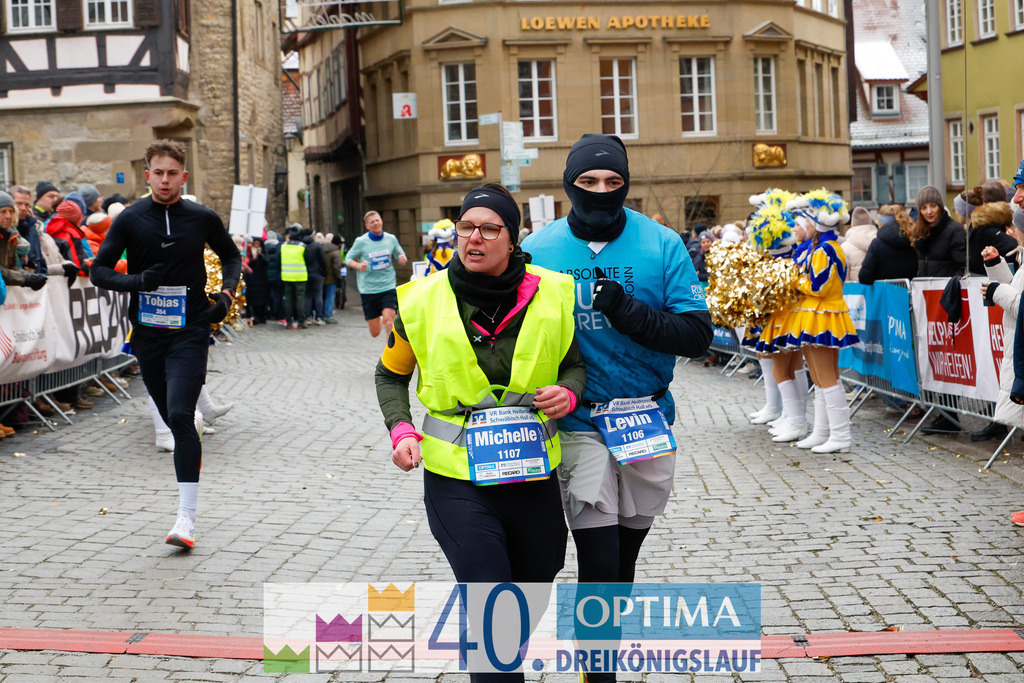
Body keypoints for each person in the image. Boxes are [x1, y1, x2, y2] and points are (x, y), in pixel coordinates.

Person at [376, 185, 584, 682]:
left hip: (532, 476)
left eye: (489, 228)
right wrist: (401, 428)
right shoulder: (422, 300)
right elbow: (390, 374)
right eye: (465, 227)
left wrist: (568, 394)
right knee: (491, 604)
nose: (474, 237)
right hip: (457, 481)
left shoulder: (554, 292)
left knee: (538, 576)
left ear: (512, 239)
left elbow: (574, 366)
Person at [521, 134, 712, 608]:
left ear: (626, 184)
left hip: (644, 417)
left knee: (623, 559)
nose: (600, 190)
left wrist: (627, 311)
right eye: (588, 180)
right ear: (569, 183)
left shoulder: (662, 243)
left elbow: (696, 336)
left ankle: (599, 649)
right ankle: (599, 669)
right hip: (577, 420)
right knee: (598, 556)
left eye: (613, 181)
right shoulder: (537, 249)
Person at [90, 139, 241, 550]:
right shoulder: (132, 219)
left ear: (183, 177)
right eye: (158, 172)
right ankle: (188, 444)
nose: (164, 180)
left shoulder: (201, 217)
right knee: (174, 414)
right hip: (148, 334)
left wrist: (225, 297)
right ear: (147, 175)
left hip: (191, 327)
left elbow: (232, 257)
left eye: (172, 173)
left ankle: (185, 520)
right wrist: (136, 283)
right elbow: (98, 271)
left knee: (179, 413)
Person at [782, 190, 859, 453]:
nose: (796, 227)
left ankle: (840, 435)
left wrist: (794, 280)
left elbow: (818, 286)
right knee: (820, 375)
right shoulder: (821, 248)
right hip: (816, 314)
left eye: (801, 222)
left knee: (827, 376)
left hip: (824, 314)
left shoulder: (827, 249)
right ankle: (823, 431)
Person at [346, 210, 408, 337]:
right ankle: (380, 319)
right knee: (375, 333)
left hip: (388, 286)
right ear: (367, 226)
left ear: (381, 221)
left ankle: (390, 354)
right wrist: (358, 265)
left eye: (377, 220)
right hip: (368, 289)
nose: (375, 223)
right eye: (372, 222)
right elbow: (348, 259)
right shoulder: (361, 241)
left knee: (390, 321)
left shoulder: (391, 239)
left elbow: (401, 256)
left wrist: (403, 259)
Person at [912, 186, 966, 278]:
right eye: (924, 208)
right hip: (925, 288)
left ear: (940, 207)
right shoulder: (919, 232)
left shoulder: (955, 230)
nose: (929, 211)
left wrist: (952, 285)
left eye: (933, 206)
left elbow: (962, 266)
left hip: (946, 288)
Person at [859, 205, 918, 284]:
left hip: (885, 293)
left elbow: (864, 277)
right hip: (911, 293)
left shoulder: (877, 243)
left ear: (881, 224)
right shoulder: (914, 239)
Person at [966, 201, 1016, 276]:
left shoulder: (975, 229)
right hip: (991, 275)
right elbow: (1012, 245)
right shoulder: (991, 232)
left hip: (976, 274)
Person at [280, 226, 308, 329]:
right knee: (299, 299)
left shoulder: (283, 246)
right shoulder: (302, 246)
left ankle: (289, 322)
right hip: (300, 276)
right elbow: (307, 260)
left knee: (288, 299)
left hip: (287, 275)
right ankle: (301, 322)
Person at [841, 206, 876, 282]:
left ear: (852, 224)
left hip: (855, 292)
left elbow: (844, 277)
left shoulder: (845, 247)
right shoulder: (879, 242)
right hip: (878, 292)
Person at [301, 228, 327, 325]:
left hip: (305, 273)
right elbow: (323, 261)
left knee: (307, 295)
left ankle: (308, 317)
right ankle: (319, 317)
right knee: (318, 295)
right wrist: (324, 272)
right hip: (317, 273)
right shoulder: (317, 246)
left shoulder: (302, 246)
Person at [244, 237, 270, 324]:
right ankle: (254, 316)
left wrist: (260, 256)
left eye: (258, 244)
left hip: (262, 278)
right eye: (255, 244)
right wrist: (254, 258)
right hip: (252, 278)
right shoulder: (249, 253)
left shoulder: (264, 252)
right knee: (253, 298)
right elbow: (247, 264)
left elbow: (267, 263)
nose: (256, 246)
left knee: (262, 298)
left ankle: (262, 316)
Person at [322, 234, 343, 323]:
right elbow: (337, 267)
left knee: (323, 296)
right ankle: (328, 315)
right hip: (332, 278)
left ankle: (321, 314)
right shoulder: (335, 252)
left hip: (322, 277)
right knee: (330, 297)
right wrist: (339, 278)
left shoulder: (323, 249)